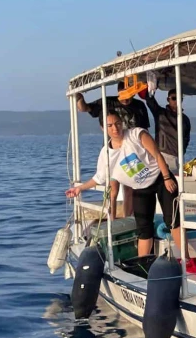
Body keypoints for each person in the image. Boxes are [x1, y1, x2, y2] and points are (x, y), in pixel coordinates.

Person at [65, 110, 181, 257]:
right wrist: (80, 188)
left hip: (160, 178)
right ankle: (142, 262)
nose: (115, 128)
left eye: (118, 123)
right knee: (144, 229)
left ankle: (187, 259)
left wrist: (167, 178)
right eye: (110, 125)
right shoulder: (105, 154)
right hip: (140, 188)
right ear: (103, 128)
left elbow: (157, 155)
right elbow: (99, 178)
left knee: (172, 221)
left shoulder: (136, 134)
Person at [76, 81, 152, 217]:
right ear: (118, 92)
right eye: (124, 95)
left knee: (129, 188)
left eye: (130, 94)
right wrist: (79, 98)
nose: (127, 98)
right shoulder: (108, 102)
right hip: (113, 152)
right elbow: (84, 108)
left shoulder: (139, 106)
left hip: (132, 154)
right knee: (113, 189)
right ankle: (112, 219)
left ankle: (127, 218)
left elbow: (145, 130)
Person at [143, 88, 191, 172]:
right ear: (168, 99)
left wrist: (182, 151)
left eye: (180, 98)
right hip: (163, 155)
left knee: (177, 183)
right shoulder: (160, 113)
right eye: (174, 98)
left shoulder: (185, 119)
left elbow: (187, 137)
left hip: (179, 157)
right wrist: (152, 86)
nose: (177, 101)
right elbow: (149, 100)